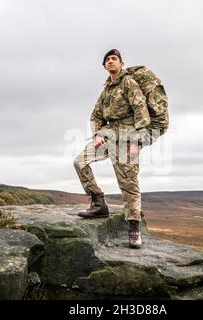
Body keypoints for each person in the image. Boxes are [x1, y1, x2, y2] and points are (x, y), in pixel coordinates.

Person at [73, 49, 151, 249]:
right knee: (80, 162)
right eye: (107, 60)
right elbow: (96, 114)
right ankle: (98, 203)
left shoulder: (129, 83)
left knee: (128, 182)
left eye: (114, 59)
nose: (110, 62)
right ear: (104, 66)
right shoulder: (106, 89)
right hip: (108, 133)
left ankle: (134, 227)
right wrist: (98, 133)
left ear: (121, 63)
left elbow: (141, 110)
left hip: (127, 135)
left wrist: (139, 142)